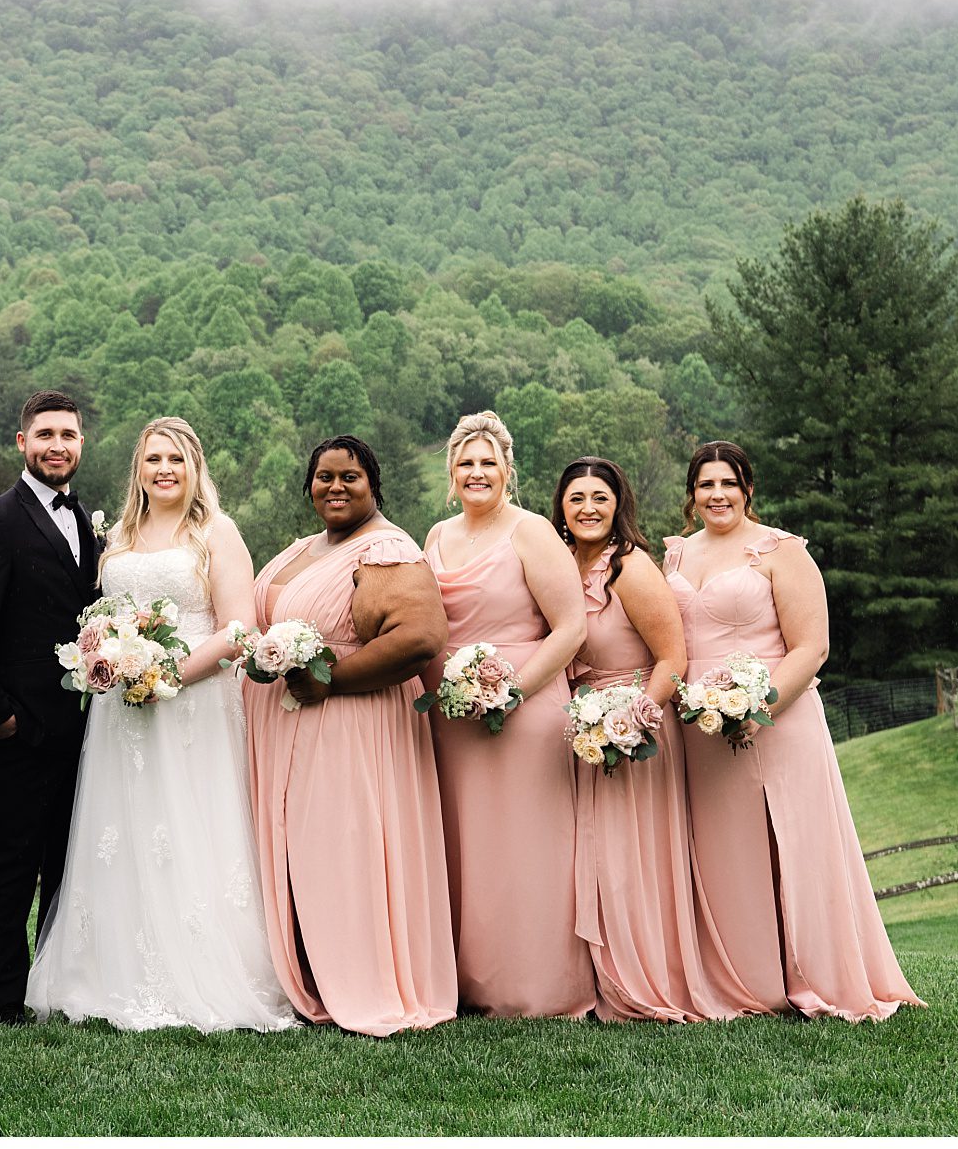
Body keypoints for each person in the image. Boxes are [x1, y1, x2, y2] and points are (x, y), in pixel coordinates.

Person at [25, 417, 295, 1033]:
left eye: (175, 458)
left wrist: (166, 673)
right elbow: (103, 613)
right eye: (152, 460)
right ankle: (107, 969)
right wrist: (110, 656)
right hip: (121, 711)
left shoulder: (216, 534)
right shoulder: (119, 533)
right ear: (138, 469)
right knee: (123, 827)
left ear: (195, 466)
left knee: (187, 826)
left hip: (193, 702)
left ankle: (203, 970)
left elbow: (237, 628)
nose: (163, 470)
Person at [666, 441, 922, 1021]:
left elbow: (813, 646)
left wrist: (758, 709)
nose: (717, 495)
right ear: (692, 494)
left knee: (795, 843)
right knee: (724, 851)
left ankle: (817, 976)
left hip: (778, 718)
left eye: (728, 483)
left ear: (747, 489)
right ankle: (747, 983)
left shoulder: (782, 551)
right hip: (702, 726)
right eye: (705, 485)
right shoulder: (676, 556)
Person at [245, 436, 455, 1035]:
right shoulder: (304, 547)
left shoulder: (387, 548)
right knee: (298, 849)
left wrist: (331, 681)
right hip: (287, 723)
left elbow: (420, 638)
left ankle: (358, 979)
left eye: (350, 477)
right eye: (323, 477)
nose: (335, 487)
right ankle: (303, 972)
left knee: (342, 849)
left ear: (374, 484)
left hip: (349, 721)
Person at [553, 455, 761, 1023]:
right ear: (561, 508)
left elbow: (673, 658)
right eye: (577, 499)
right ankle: (596, 979)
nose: (588, 509)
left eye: (600, 497)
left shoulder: (630, 567)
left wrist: (635, 714)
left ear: (618, 505)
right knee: (591, 856)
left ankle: (642, 979)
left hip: (636, 728)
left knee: (627, 859)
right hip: (582, 727)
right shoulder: (562, 565)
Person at [423, 410, 591, 1018]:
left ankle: (539, 985)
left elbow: (570, 627)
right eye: (465, 463)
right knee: (466, 843)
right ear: (450, 473)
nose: (476, 473)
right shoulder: (436, 538)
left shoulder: (532, 532)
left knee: (527, 843)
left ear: (507, 470)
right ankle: (471, 982)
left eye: (487, 462)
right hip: (453, 712)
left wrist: (511, 690)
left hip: (527, 705)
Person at [0, 391, 100, 1025]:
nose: (56, 445)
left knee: (68, 858)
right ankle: (3, 993)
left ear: (82, 444)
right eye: (45, 434)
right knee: (13, 859)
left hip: (85, 726)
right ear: (22, 442)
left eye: (67, 435)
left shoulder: (89, 524)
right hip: (19, 727)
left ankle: (53, 980)